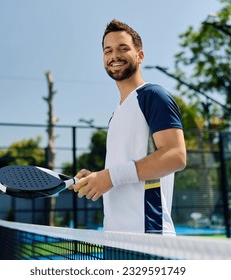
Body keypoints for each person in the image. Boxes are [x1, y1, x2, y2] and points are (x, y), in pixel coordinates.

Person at [71, 19, 186, 235]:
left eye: (123, 48)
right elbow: (124, 171)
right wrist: (98, 177)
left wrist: (110, 177)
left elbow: (176, 156)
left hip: (148, 236)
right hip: (113, 237)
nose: (114, 56)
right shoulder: (116, 114)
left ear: (140, 55)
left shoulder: (153, 96)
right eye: (108, 50)